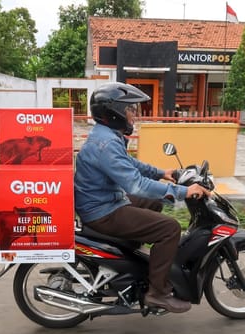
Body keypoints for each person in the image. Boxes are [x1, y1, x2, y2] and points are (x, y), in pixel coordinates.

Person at [74, 82, 211, 313]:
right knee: (169, 229)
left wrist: (162, 173)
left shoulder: (107, 135)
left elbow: (130, 164)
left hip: (104, 201)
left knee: (154, 203)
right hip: (102, 211)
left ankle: (128, 260)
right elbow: (135, 184)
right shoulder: (106, 143)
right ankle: (157, 293)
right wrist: (183, 192)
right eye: (130, 110)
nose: (134, 115)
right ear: (114, 112)